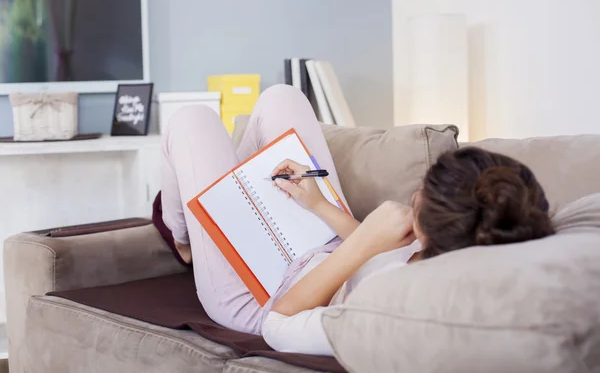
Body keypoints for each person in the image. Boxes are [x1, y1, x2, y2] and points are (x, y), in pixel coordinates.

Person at [161, 85, 555, 355]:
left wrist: (366, 241)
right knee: (283, 97)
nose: (414, 194)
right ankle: (225, 196)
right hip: (321, 244)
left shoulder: (395, 307)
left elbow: (278, 325)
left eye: (421, 193)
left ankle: (185, 242)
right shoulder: (456, 236)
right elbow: (377, 257)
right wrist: (318, 204)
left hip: (263, 298)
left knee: (191, 120)